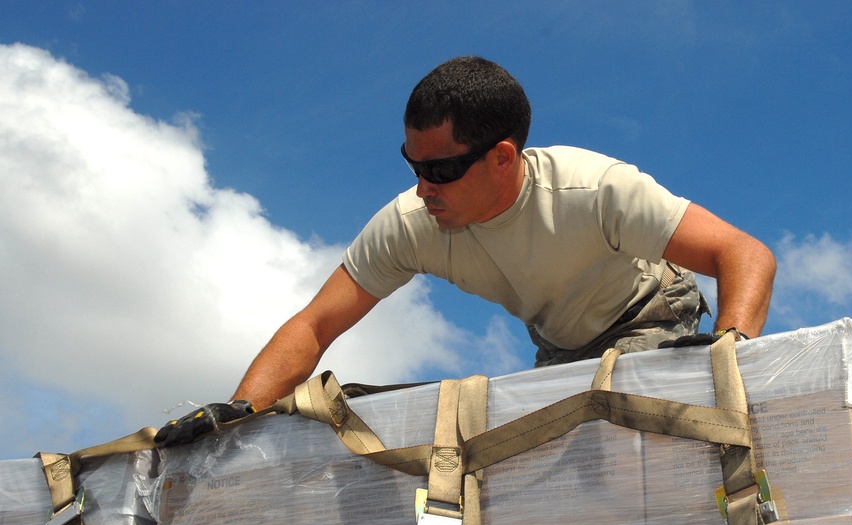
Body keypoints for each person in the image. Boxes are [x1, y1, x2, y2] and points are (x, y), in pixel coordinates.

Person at [155, 56, 775, 447]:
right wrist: (239, 414)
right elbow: (316, 324)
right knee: (540, 464)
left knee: (616, 448)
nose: (424, 187)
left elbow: (744, 254)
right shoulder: (413, 221)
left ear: (502, 158)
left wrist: (728, 358)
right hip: (560, 347)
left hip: (646, 314)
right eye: (412, 164)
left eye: (443, 168)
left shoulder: (594, 189)